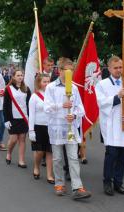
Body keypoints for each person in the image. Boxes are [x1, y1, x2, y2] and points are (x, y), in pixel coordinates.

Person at [44, 57, 91, 200]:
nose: (70, 72)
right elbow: (46, 107)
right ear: (60, 70)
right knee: (57, 158)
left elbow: (80, 108)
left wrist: (75, 115)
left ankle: (77, 187)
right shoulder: (51, 87)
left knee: (73, 157)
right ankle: (59, 184)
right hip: (56, 128)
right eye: (68, 70)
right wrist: (61, 106)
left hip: (70, 128)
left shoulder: (74, 88)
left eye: (72, 70)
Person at [95, 55, 124, 196]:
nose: (119, 70)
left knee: (122, 156)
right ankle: (107, 182)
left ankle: (119, 183)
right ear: (109, 68)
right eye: (115, 68)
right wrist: (117, 97)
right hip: (110, 126)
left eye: (121, 67)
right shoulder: (102, 84)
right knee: (111, 155)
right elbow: (101, 103)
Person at [29, 73, 54, 183]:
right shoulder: (34, 97)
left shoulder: (52, 96)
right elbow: (32, 115)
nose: (47, 84)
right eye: (44, 81)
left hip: (50, 127)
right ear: (39, 83)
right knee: (39, 152)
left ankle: (49, 175)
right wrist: (31, 130)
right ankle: (36, 167)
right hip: (38, 127)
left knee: (49, 151)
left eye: (48, 81)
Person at [4, 69, 31, 167]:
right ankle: (9, 153)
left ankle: (21, 160)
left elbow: (29, 104)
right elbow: (5, 105)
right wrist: (6, 119)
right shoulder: (8, 89)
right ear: (14, 77)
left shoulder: (27, 89)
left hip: (23, 118)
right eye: (18, 75)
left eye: (21, 75)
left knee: (22, 139)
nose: (20, 77)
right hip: (12, 118)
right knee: (13, 139)